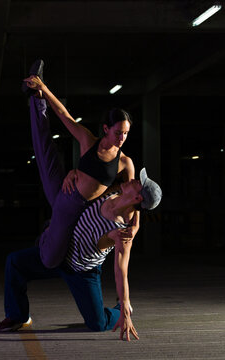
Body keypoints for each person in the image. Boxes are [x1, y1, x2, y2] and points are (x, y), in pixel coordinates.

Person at [0, 168, 162, 341]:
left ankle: (118, 311)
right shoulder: (113, 191)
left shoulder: (121, 231)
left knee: (97, 324)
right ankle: (19, 317)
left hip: (82, 271)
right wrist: (73, 172)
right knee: (15, 262)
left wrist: (125, 304)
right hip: (60, 254)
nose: (134, 180)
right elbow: (125, 162)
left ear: (138, 198)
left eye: (138, 183)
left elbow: (121, 270)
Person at [22, 59, 139, 269]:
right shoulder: (88, 141)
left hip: (76, 207)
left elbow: (134, 196)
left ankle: (48, 231)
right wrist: (45, 89)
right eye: (118, 132)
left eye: (126, 133)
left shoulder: (125, 163)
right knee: (44, 149)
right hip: (65, 192)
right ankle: (36, 93)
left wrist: (136, 225)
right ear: (106, 128)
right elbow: (64, 116)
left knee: (50, 260)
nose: (122, 138)